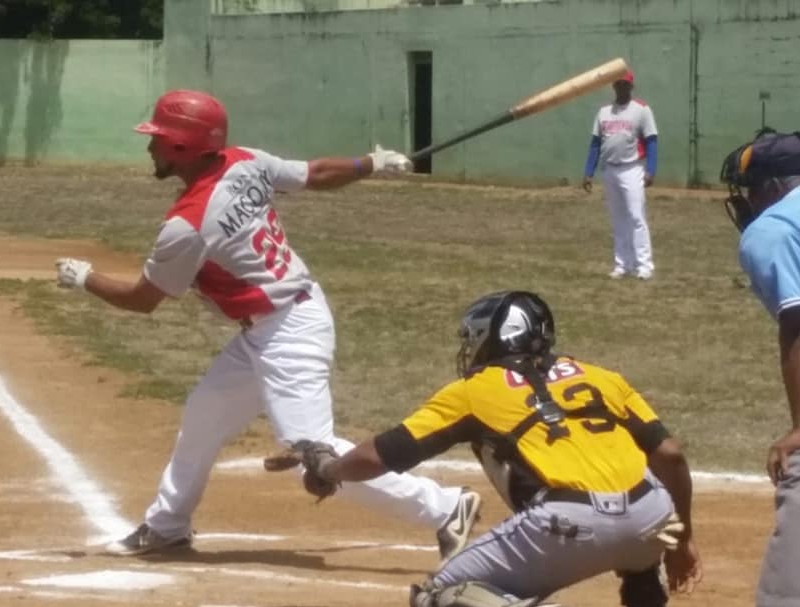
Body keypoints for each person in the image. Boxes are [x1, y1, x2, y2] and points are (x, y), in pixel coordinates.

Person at [53, 90, 481, 559]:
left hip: (289, 331)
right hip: (270, 325)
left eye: (158, 138)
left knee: (316, 458)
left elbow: (143, 300)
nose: (150, 146)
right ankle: (168, 525)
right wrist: (370, 164)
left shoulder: (189, 224)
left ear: (183, 147)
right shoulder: (244, 161)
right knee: (204, 417)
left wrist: (85, 279)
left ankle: (445, 508)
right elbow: (314, 174)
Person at [281, 290, 703, 607]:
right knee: (635, 481)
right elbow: (671, 456)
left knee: (435, 595)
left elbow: (384, 454)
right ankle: (647, 600)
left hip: (568, 529)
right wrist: (680, 541)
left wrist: (329, 467)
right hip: (655, 524)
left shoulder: (474, 391)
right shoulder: (603, 377)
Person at [718, 129, 800, 607]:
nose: (745, 201)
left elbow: (798, 319)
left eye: (749, 189)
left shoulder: (774, 226)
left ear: (773, 186)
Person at [582, 70, 657, 280]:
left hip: (632, 168)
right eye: (618, 84)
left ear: (631, 87)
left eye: (625, 84)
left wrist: (651, 169)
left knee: (636, 216)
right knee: (618, 219)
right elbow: (596, 143)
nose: (621, 88)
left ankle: (644, 265)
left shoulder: (641, 110)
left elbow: (651, 140)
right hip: (609, 170)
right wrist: (589, 172)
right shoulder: (604, 111)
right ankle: (622, 264)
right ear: (613, 87)